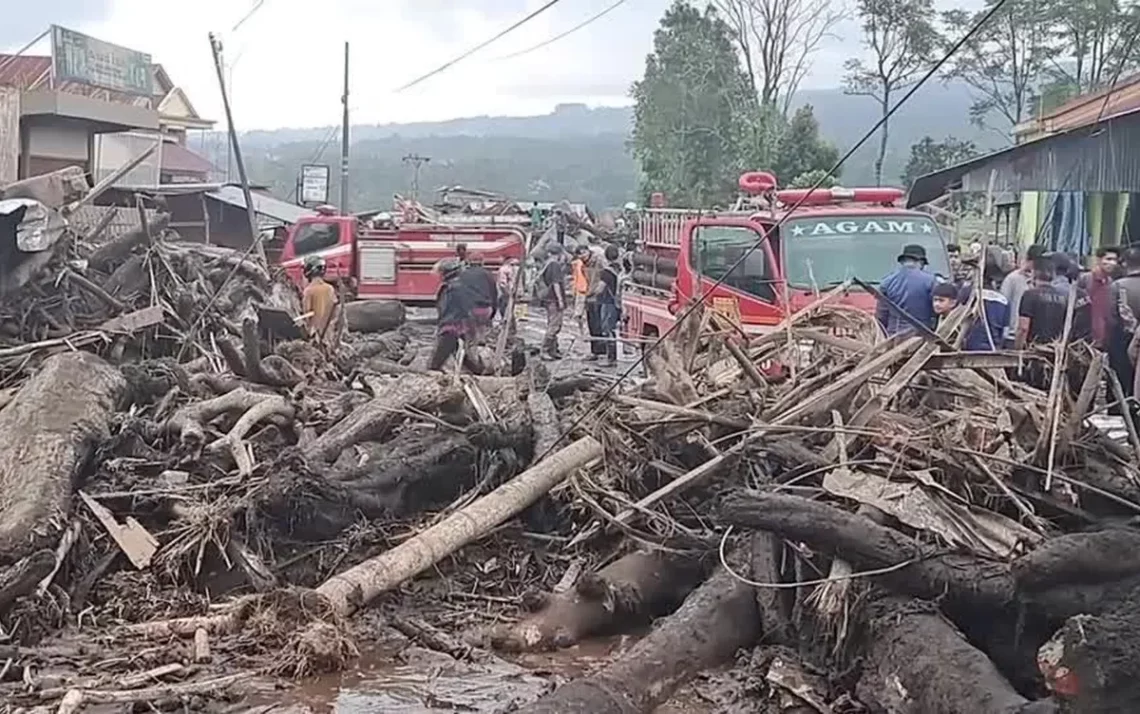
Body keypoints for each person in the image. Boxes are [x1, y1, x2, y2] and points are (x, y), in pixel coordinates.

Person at [429, 258, 479, 372]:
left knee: (435, 363)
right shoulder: (455, 286)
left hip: (451, 328)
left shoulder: (454, 288)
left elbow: (457, 308)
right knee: (462, 356)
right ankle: (480, 372)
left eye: (440, 272)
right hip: (455, 327)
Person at [876, 244, 937, 335]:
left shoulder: (887, 282)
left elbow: (881, 315)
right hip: (921, 335)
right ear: (920, 262)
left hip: (894, 335)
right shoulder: (931, 281)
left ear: (902, 261)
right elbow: (936, 310)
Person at [1109, 247, 1140, 412]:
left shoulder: (1118, 286)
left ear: (1125, 264)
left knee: (1120, 378)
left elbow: (1111, 317)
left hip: (1122, 338)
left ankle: (1118, 409)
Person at [957, 258, 1010, 351]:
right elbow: (1005, 332)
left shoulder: (968, 293)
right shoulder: (1003, 300)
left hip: (970, 347)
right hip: (993, 348)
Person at [1000, 244, 1047, 347]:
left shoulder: (1045, 282)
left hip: (1034, 340)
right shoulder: (1013, 279)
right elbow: (1003, 304)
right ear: (1030, 260)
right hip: (1013, 337)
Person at [1077, 245, 1119, 350]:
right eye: (1108, 259)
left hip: (1105, 337)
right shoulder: (1085, 279)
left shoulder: (1112, 283)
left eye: (1115, 260)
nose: (1112, 263)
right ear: (1099, 260)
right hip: (1084, 336)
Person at [538, 244, 569, 360]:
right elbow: (556, 284)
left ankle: (553, 349)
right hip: (553, 299)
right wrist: (560, 300)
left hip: (548, 299)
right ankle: (545, 350)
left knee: (552, 323)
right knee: (554, 325)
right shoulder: (554, 265)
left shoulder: (546, 265)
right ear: (559, 254)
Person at [301, 255, 338, 350]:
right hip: (329, 336)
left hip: (315, 338)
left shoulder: (309, 291)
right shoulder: (330, 289)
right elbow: (334, 313)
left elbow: (307, 315)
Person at [459, 254, 497, 344]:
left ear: (468, 262)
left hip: (468, 309)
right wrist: (493, 312)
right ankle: (481, 346)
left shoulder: (462, 274)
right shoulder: (488, 274)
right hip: (485, 309)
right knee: (481, 329)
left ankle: (470, 352)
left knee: (469, 336)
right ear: (482, 262)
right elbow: (493, 293)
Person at [596, 244, 622, 367]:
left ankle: (611, 359)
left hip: (607, 303)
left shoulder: (606, 272)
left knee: (607, 330)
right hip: (617, 303)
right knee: (612, 329)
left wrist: (590, 292)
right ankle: (612, 357)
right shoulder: (619, 269)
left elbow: (600, 289)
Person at [583, 248, 607, 361]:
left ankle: (602, 351)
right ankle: (595, 351)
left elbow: (600, 282)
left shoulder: (599, 262)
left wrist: (592, 292)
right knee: (592, 325)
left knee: (598, 325)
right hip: (589, 296)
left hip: (597, 297)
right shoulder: (584, 264)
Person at [570, 246, 589, 330]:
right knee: (579, 314)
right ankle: (581, 331)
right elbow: (575, 277)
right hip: (581, 290)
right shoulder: (577, 264)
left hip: (586, 290)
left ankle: (583, 331)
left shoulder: (588, 263)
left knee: (584, 314)